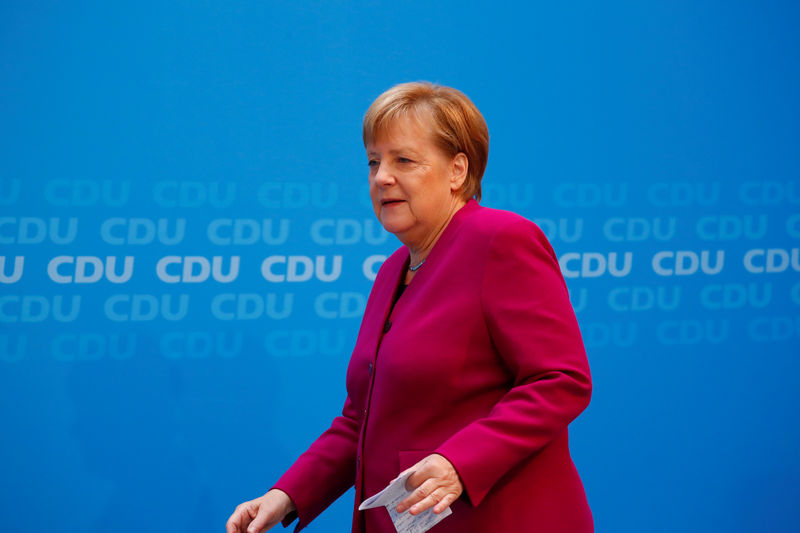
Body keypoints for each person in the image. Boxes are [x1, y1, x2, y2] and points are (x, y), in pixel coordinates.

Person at [226, 82, 593, 533]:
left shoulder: (501, 240)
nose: (381, 177)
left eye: (403, 160)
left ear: (457, 170)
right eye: (373, 162)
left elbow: (560, 379)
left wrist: (459, 462)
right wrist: (285, 496)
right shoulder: (392, 270)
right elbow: (360, 420)